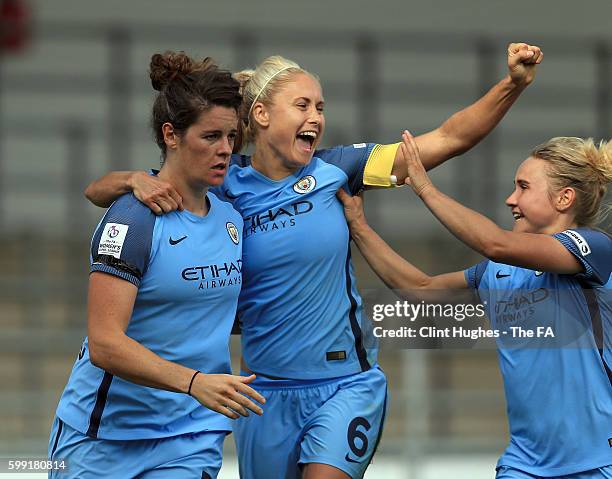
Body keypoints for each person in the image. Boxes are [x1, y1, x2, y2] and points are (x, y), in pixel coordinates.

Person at [84, 43, 543, 479]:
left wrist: (513, 84)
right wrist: (130, 180)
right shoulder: (222, 182)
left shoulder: (338, 171)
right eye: (303, 105)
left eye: (320, 108)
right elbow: (102, 191)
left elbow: (450, 137)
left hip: (345, 384)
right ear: (260, 115)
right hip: (262, 393)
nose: (316, 118)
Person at [337, 131, 612, 479]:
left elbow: (494, 243)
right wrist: (359, 227)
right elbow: (422, 288)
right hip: (523, 466)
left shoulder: (594, 248)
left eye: (524, 187)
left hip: (596, 463)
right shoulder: (498, 271)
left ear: (564, 198)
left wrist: (425, 188)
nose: (511, 199)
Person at [48, 51, 265, 479]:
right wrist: (193, 381)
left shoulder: (232, 213)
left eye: (231, 137)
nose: (225, 150)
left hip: (191, 436)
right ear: (171, 135)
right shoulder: (134, 219)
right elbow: (105, 344)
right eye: (210, 137)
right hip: (102, 438)